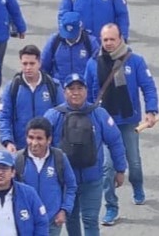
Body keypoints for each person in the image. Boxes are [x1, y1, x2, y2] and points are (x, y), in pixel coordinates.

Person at [84, 24, 159, 224]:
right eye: (105, 39)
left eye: (112, 39)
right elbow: (88, 94)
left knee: (133, 162)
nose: (108, 43)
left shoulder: (135, 61)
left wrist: (151, 111)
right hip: (104, 123)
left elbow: (148, 87)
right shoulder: (93, 64)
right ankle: (111, 207)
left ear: (120, 39)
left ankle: (137, 184)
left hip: (128, 121)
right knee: (107, 168)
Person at [43, 74, 126, 236]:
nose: (76, 92)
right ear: (64, 92)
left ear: (86, 91)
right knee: (72, 220)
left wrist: (120, 169)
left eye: (80, 88)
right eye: (71, 89)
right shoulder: (53, 116)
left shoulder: (99, 114)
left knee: (90, 220)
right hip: (65, 182)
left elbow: (115, 141)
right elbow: (41, 147)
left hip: (92, 180)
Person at [15, 117, 78, 236]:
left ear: (49, 139)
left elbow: (71, 186)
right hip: (26, 222)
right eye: (31, 138)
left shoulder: (59, 158)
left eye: (39, 138)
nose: (34, 143)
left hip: (52, 222)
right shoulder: (18, 160)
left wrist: (64, 210)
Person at [0, 45, 63, 153]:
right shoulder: (12, 88)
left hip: (48, 149)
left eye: (32, 63)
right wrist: (8, 141)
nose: (28, 67)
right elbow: (4, 117)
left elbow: (62, 117)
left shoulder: (53, 86)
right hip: (20, 148)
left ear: (39, 63)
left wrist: (57, 145)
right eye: (25, 64)